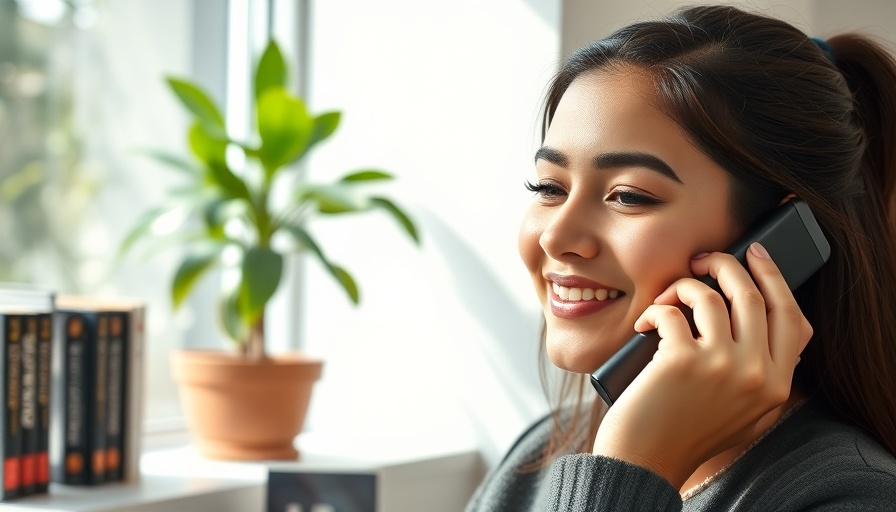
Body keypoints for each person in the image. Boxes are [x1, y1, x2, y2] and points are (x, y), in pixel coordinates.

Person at [466, 4, 896, 511]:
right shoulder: (542, 456)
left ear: (772, 243)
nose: (556, 236)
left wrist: (629, 469)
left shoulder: (852, 496)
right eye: (549, 187)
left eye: (629, 196)